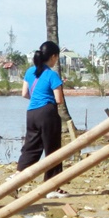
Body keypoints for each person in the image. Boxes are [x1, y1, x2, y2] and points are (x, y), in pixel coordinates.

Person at [18, 41, 71, 191]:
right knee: (53, 149)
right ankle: (52, 187)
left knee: (31, 147)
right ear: (53, 57)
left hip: (32, 112)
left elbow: (24, 94)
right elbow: (59, 100)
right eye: (57, 58)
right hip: (47, 113)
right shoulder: (52, 75)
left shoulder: (30, 72)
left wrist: (37, 99)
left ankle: (17, 175)